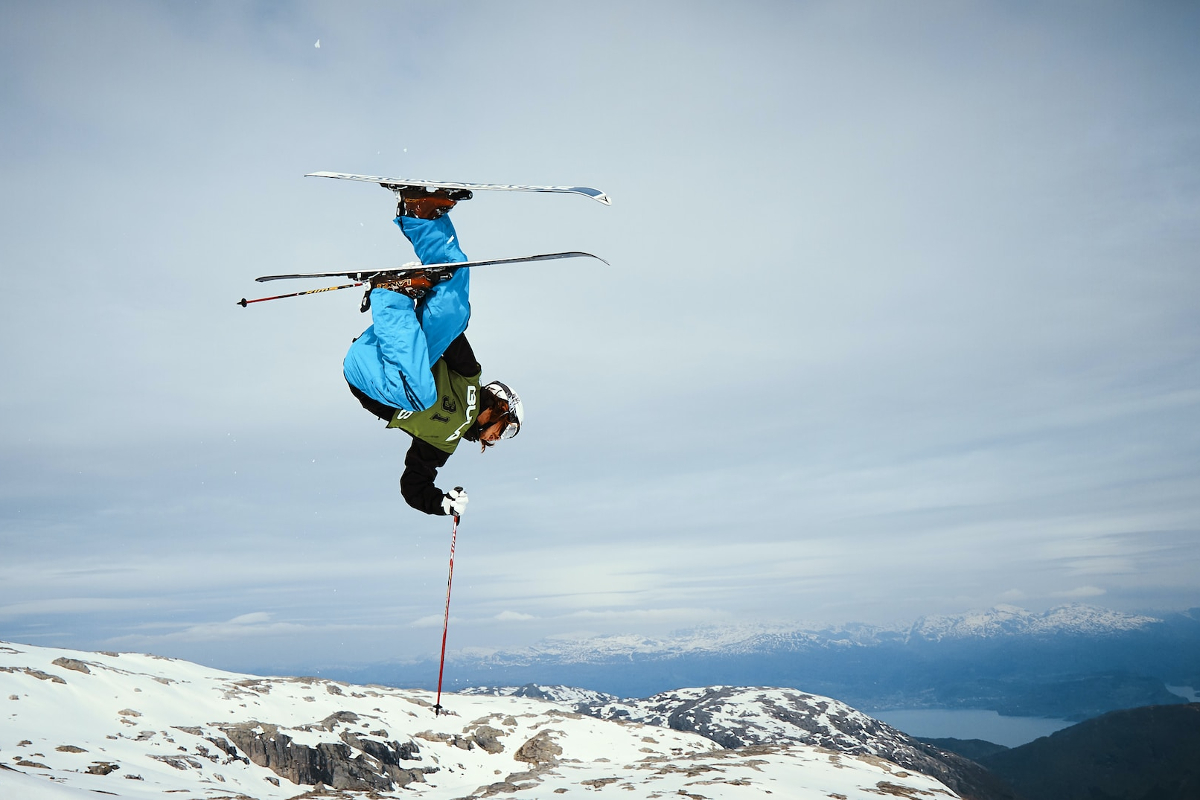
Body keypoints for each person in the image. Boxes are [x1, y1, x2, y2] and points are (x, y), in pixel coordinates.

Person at [343, 188, 523, 517]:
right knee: (455, 314)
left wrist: (442, 503)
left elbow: (414, 485)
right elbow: (448, 330)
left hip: (369, 375)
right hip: (392, 345)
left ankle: (390, 295)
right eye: (506, 429)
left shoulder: (444, 443)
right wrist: (435, 295)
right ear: (501, 408)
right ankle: (420, 215)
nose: (498, 438)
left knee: (420, 395)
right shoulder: (470, 376)